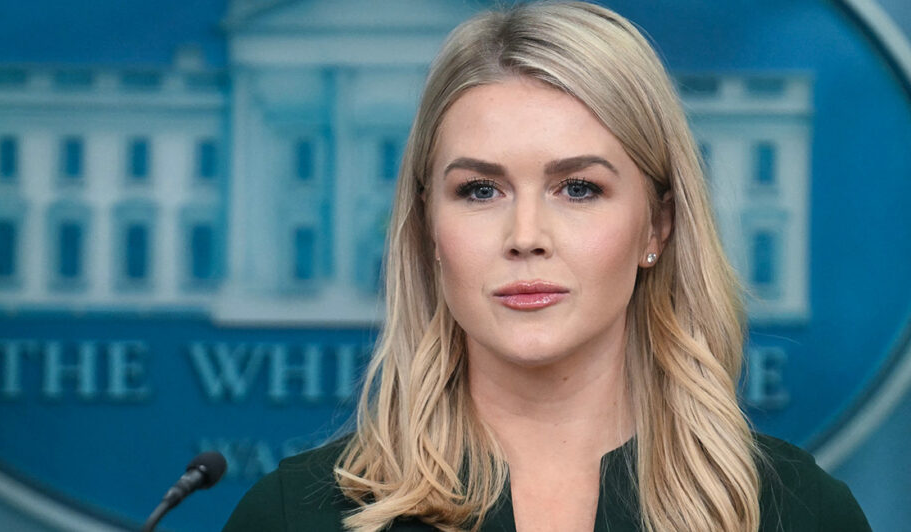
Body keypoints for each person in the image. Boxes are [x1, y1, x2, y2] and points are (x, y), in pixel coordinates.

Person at [224, 2, 871, 531]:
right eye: (480, 190)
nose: (525, 236)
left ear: (658, 226)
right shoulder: (293, 518)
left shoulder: (800, 515)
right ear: (427, 230)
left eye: (578, 188)